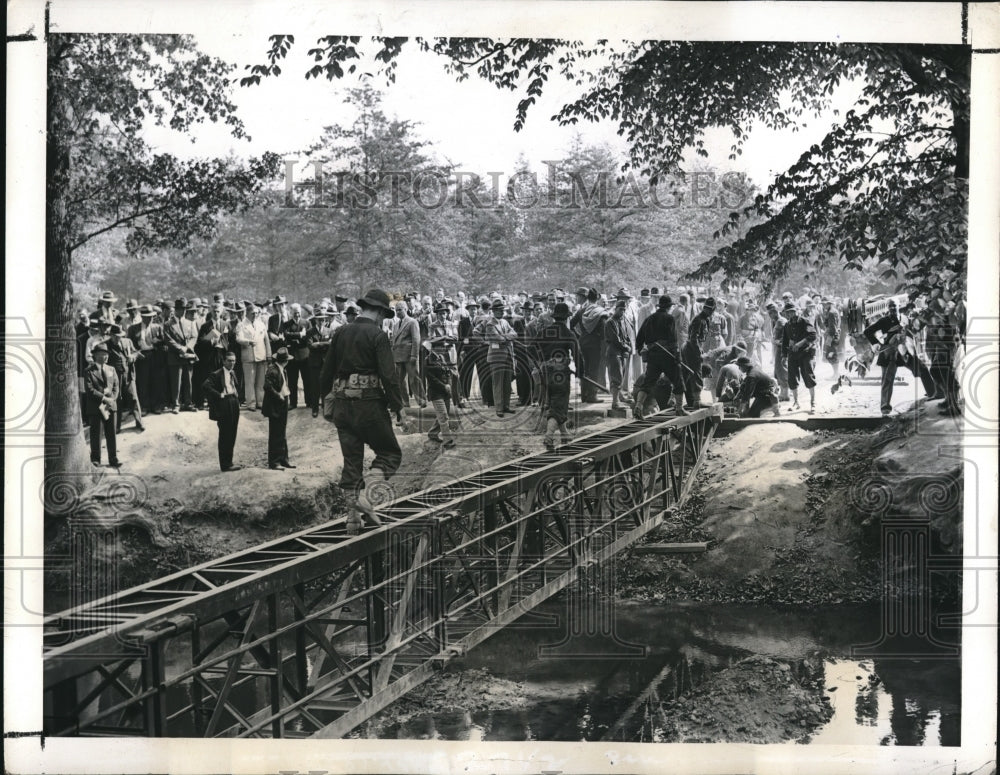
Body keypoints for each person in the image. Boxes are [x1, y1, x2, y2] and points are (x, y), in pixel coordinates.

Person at [319, 288, 404, 534]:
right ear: (377, 311)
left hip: (342, 406)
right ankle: (367, 496)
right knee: (390, 454)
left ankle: (352, 520)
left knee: (352, 461)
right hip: (369, 405)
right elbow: (389, 376)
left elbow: (326, 371)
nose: (382, 320)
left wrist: (324, 401)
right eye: (383, 315)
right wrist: (398, 407)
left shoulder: (341, 332)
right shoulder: (377, 335)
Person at [863, 299, 935, 416]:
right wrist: (878, 344)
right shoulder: (884, 321)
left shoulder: (905, 318)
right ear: (887, 308)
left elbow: (914, 330)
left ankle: (933, 393)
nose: (892, 308)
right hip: (889, 352)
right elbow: (868, 331)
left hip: (905, 351)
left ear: (898, 307)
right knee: (887, 379)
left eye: (894, 306)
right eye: (890, 306)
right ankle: (885, 408)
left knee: (922, 369)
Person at [532, 301, 581, 450]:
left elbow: (531, 349)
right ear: (566, 318)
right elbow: (578, 354)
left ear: (554, 317)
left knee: (556, 404)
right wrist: (580, 371)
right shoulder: (568, 333)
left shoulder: (545, 332)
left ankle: (565, 434)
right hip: (560, 375)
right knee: (558, 406)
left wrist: (541, 363)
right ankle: (549, 436)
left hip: (546, 374)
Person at [634, 295, 687, 418]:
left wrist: (641, 350)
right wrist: (677, 355)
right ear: (669, 307)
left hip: (653, 356)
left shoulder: (649, 319)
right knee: (678, 381)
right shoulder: (669, 319)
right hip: (667, 356)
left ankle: (638, 407)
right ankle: (679, 409)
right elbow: (673, 340)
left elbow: (639, 338)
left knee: (648, 383)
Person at [474, 298, 519, 417]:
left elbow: (515, 334)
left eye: (502, 310)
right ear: (493, 311)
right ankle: (499, 407)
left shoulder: (504, 322)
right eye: (498, 310)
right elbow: (497, 338)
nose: (501, 312)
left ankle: (506, 406)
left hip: (507, 354)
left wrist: (505, 337)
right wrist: (507, 337)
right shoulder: (490, 324)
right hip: (496, 356)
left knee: (506, 383)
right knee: (497, 383)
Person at [202, 350, 244, 471]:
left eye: (234, 361)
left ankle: (229, 462)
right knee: (225, 434)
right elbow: (205, 386)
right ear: (224, 361)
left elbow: (236, 386)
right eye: (229, 361)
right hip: (224, 403)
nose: (232, 363)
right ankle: (225, 464)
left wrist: (237, 397)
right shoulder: (217, 374)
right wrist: (218, 395)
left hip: (234, 402)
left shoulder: (233, 372)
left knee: (232, 433)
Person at [84, 343, 120, 468]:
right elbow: (90, 389)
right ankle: (96, 459)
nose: (105, 357)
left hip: (110, 406)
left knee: (111, 433)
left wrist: (112, 399)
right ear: (95, 356)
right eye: (102, 355)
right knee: (96, 434)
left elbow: (116, 386)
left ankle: (113, 458)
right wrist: (104, 398)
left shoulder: (112, 369)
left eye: (106, 354)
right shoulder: (89, 371)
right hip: (96, 407)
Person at [105, 323, 144, 432]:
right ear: (111, 335)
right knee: (117, 400)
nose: (118, 338)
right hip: (114, 378)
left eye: (120, 336)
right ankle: (116, 427)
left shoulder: (127, 342)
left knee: (134, 398)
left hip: (128, 374)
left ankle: (139, 422)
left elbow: (136, 352)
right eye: (116, 336)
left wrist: (133, 357)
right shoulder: (106, 345)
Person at [781, 302, 818, 413]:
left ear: (796, 311)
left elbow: (813, 335)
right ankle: (796, 402)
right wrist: (784, 356)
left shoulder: (804, 322)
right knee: (792, 378)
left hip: (806, 353)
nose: (790, 314)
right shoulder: (787, 325)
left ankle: (813, 402)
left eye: (792, 311)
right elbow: (785, 341)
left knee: (808, 376)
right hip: (793, 354)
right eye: (788, 312)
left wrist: (800, 343)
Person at [234, 302, 271, 411]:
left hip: (261, 355)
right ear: (247, 313)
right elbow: (238, 339)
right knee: (250, 381)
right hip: (248, 356)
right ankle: (251, 403)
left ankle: (260, 402)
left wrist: (268, 354)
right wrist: (248, 342)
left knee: (261, 381)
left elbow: (266, 341)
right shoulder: (241, 325)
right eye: (252, 313)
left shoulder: (261, 324)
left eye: (256, 313)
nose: (255, 315)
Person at [262, 347, 294, 470]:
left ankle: (283, 459)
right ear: (285, 361)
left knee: (281, 432)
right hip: (276, 404)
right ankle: (274, 462)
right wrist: (279, 396)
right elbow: (267, 387)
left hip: (282, 401)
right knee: (276, 432)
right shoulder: (272, 370)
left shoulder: (280, 369)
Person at [391, 301, 425, 408]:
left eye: (400, 310)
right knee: (399, 381)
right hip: (398, 356)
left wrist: (414, 355)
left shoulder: (412, 322)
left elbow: (416, 339)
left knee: (414, 378)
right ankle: (404, 401)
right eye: (396, 310)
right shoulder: (396, 324)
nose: (397, 312)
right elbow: (394, 341)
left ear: (406, 309)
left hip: (409, 356)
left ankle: (421, 400)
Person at [424, 347, 457, 448]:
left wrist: (449, 383)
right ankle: (448, 441)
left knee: (442, 415)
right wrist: (444, 386)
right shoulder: (428, 360)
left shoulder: (442, 357)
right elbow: (431, 379)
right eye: (440, 346)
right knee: (443, 415)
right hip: (436, 393)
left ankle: (433, 433)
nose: (443, 348)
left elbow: (447, 372)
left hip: (445, 392)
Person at [604, 299, 633, 411]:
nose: (622, 312)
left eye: (624, 310)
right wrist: (626, 347)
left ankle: (620, 397)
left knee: (622, 375)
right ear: (615, 309)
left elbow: (627, 336)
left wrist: (627, 347)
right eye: (620, 309)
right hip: (613, 352)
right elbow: (615, 339)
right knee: (617, 376)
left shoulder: (624, 321)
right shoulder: (610, 322)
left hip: (622, 351)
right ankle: (615, 402)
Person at [764, 302, 790, 401]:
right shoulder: (775, 321)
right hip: (777, 348)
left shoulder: (781, 321)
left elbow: (786, 336)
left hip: (782, 348)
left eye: (771, 313)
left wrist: (777, 342)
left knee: (782, 369)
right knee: (778, 370)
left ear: (775, 312)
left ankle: (785, 394)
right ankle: (783, 393)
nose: (769, 316)